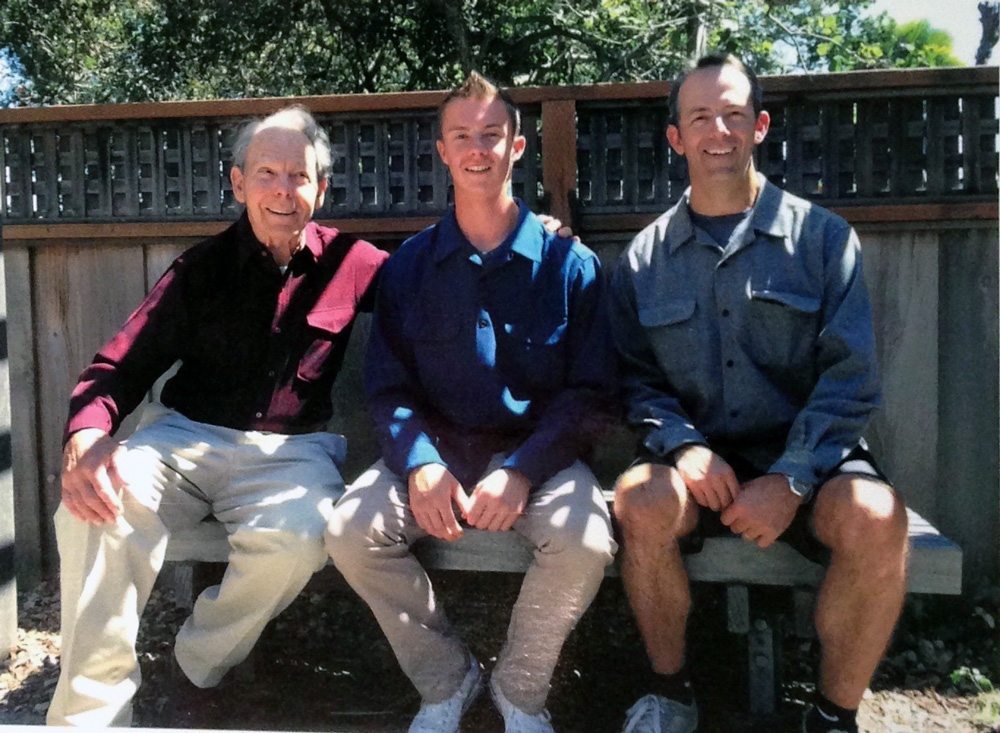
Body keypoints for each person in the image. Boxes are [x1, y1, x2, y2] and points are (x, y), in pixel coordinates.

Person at [48, 105, 390, 727]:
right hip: (182, 439)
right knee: (97, 508)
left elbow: (446, 282)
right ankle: (88, 717)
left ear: (321, 186)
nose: (283, 190)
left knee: (300, 537)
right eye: (267, 173)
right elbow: (121, 363)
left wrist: (526, 237)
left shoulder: (357, 263)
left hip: (292, 452)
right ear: (238, 183)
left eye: (299, 175)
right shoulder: (198, 270)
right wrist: (88, 430)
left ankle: (198, 660)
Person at [608, 54, 909, 733]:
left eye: (735, 114)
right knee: (641, 499)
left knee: (877, 514)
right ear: (676, 137)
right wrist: (682, 445)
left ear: (761, 125)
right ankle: (669, 693)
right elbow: (635, 378)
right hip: (696, 470)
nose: (720, 130)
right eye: (701, 117)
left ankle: (833, 716)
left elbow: (850, 377)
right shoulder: (642, 258)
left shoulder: (825, 240)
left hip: (808, 462)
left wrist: (792, 478)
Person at [325, 72, 617, 733]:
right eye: (464, 136)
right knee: (349, 531)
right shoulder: (410, 267)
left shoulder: (571, 265)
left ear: (518, 147)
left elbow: (594, 393)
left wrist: (524, 468)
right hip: (437, 455)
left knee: (586, 540)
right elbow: (389, 387)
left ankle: (519, 688)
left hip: (537, 459)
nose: (478, 148)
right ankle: (448, 679)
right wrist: (421, 462)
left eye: (493, 135)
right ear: (443, 150)